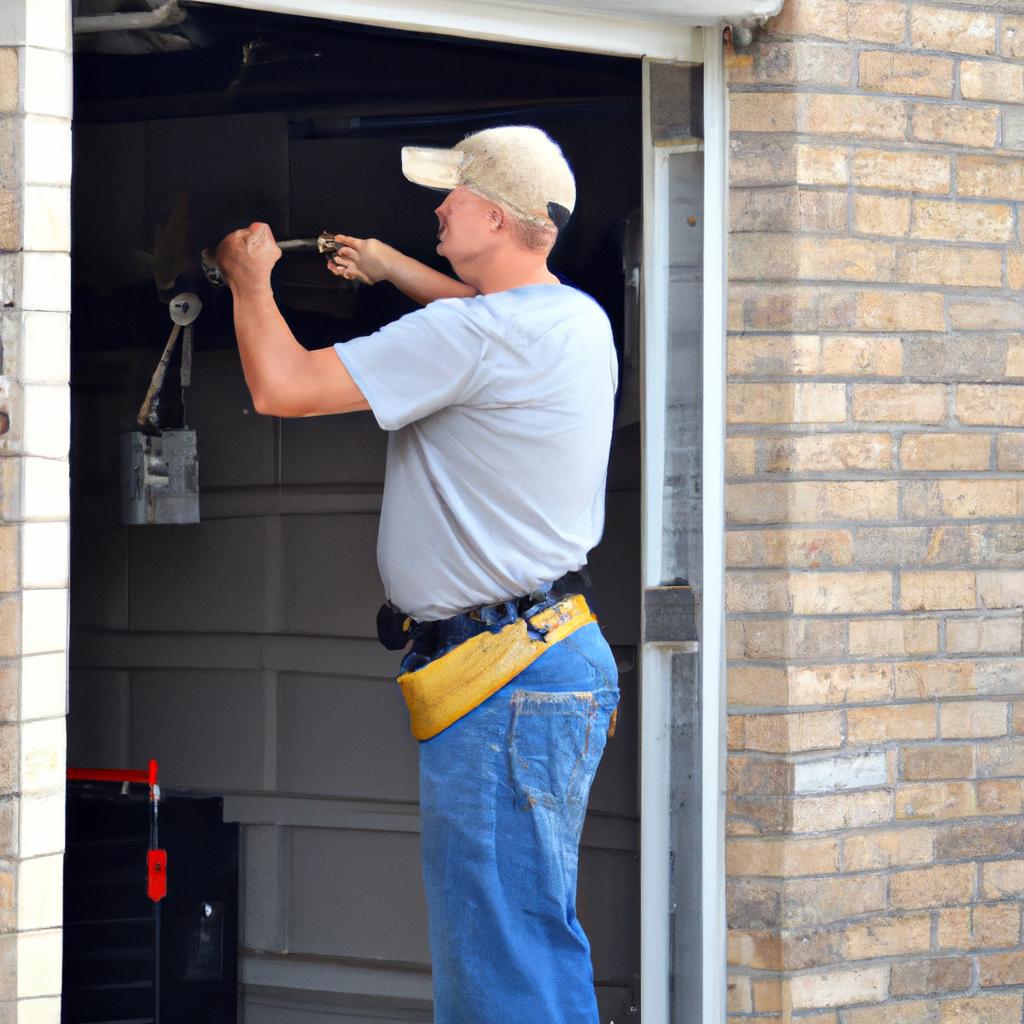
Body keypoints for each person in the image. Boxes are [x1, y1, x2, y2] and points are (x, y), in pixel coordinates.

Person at [215, 125, 619, 1024]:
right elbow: (482, 323)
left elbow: (282, 385)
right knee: (530, 937)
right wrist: (397, 266)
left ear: (500, 217)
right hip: (552, 661)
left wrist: (249, 283)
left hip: (502, 680)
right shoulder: (571, 319)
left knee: (498, 965)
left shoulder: (468, 335)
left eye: (453, 195)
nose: (439, 207)